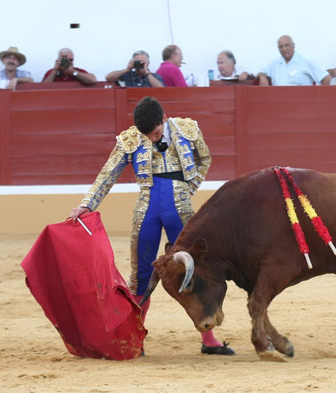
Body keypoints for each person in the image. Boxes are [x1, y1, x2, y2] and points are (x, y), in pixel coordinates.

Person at [69, 96, 234, 356]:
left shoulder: (187, 128)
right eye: (148, 136)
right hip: (147, 208)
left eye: (156, 134)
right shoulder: (132, 138)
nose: (153, 139)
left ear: (164, 119)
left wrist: (188, 186)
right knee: (140, 277)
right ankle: (135, 338)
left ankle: (209, 339)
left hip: (180, 207)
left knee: (192, 271)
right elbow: (107, 174)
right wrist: (87, 204)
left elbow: (205, 159)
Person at [258, 35, 331, 86]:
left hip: (301, 104)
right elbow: (261, 72)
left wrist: (319, 99)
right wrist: (262, 77)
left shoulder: (306, 61)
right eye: (281, 47)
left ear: (293, 46)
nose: (284, 49)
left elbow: (326, 78)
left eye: (287, 45)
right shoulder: (274, 63)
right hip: (279, 104)